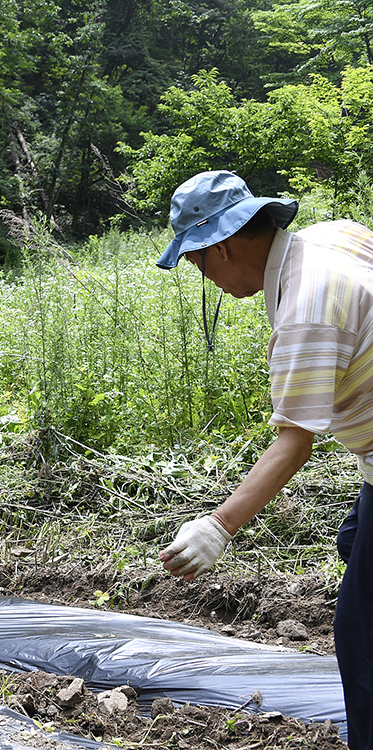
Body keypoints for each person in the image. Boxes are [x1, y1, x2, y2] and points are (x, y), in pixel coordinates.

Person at [155, 170, 373, 750]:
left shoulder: (307, 309)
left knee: (362, 637)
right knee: (355, 544)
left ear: (222, 246)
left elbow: (294, 442)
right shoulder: (334, 237)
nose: (210, 281)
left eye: (201, 266)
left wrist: (217, 527)